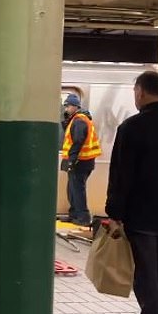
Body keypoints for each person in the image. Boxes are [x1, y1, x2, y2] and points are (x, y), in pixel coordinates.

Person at [106, 71, 158, 314]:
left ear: (140, 92)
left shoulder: (131, 127)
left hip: (141, 216)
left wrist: (114, 213)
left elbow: (121, 174)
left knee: (145, 274)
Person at [59, 94, 101, 226]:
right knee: (72, 189)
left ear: (76, 106)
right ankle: (74, 214)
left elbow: (78, 141)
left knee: (77, 189)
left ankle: (83, 218)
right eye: (65, 106)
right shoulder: (76, 119)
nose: (66, 109)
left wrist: (71, 160)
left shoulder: (79, 120)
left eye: (68, 106)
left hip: (81, 161)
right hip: (81, 160)